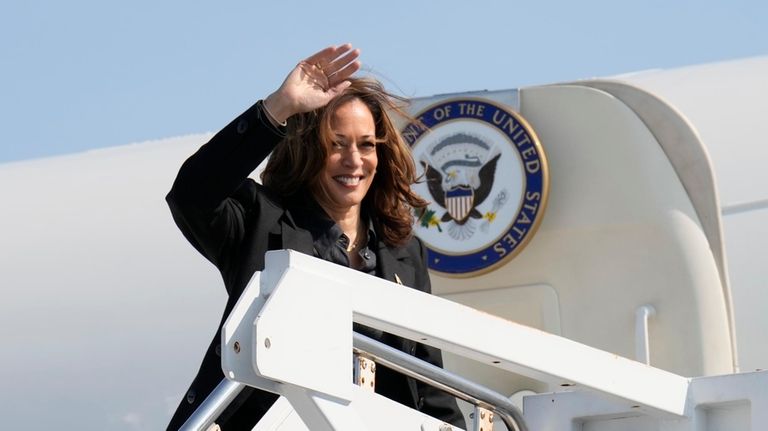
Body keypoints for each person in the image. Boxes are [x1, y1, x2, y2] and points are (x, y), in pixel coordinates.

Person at [165, 44, 466, 430]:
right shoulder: (261, 223)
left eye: (366, 145)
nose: (354, 160)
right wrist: (280, 106)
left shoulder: (404, 252)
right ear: (308, 149)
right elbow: (192, 194)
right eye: (336, 144)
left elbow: (428, 386)